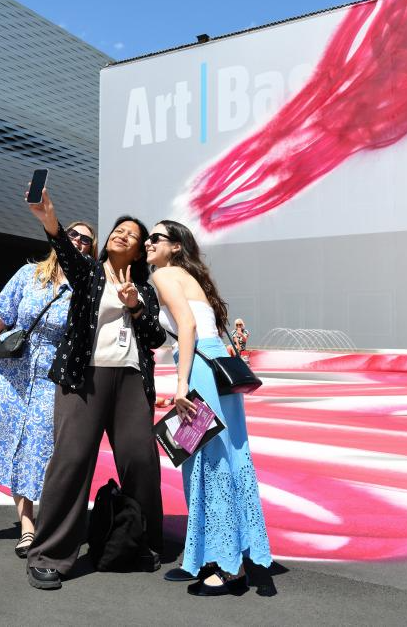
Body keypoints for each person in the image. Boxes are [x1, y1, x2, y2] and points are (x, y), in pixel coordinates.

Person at [24, 186, 166, 591]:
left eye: (131, 234)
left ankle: (142, 541)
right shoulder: (88, 272)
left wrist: (135, 305)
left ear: (138, 252)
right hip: (83, 377)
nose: (122, 234)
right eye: (118, 230)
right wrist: (50, 219)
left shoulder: (146, 290)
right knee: (72, 459)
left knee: (140, 459)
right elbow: (67, 253)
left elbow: (155, 338)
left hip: (131, 379)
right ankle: (49, 554)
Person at [147, 220, 275, 597]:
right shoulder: (192, 277)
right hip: (216, 368)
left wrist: (181, 383)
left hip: (200, 371)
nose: (149, 243)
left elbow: (187, 326)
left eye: (156, 238)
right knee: (224, 457)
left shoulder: (164, 274)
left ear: (175, 246)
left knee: (207, 462)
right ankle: (210, 555)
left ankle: (229, 567)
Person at [0, 220, 97, 558]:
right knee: (13, 443)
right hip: (11, 374)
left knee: (39, 446)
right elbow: (2, 323)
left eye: (86, 240)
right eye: (73, 235)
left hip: (50, 378)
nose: (78, 241)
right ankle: (27, 524)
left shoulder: (85, 288)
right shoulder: (27, 274)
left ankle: (49, 516)